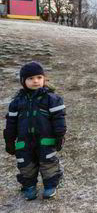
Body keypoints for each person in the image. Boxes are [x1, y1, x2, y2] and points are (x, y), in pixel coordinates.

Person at [3, 62, 66, 200]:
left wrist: (59, 136)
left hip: (46, 140)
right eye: (30, 78)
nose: (35, 81)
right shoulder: (16, 102)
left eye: (38, 77)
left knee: (48, 163)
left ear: (44, 78)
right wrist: (9, 140)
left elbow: (59, 119)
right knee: (25, 165)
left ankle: (50, 185)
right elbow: (11, 123)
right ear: (23, 81)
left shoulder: (52, 99)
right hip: (24, 142)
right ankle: (29, 186)